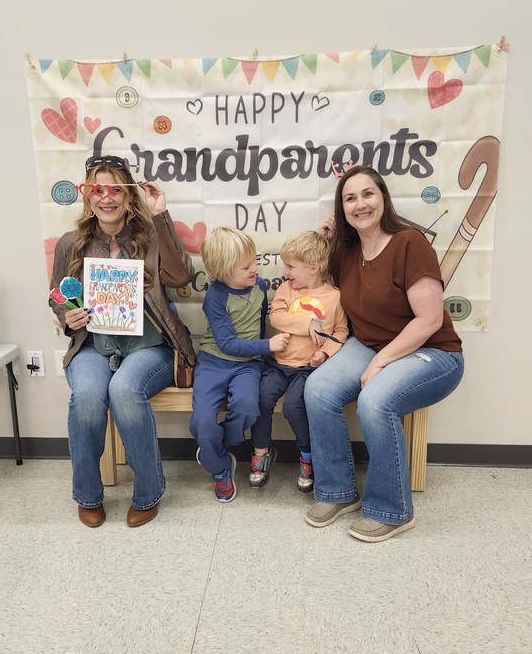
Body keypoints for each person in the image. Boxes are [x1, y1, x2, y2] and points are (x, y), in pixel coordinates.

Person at [304, 163, 464, 542]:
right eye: (349, 198)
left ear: (383, 198)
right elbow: (316, 288)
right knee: (318, 390)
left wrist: (380, 361)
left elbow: (428, 319)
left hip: (432, 352)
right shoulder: (344, 252)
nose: (360, 204)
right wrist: (323, 239)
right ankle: (338, 492)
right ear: (342, 209)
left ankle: (392, 510)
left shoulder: (410, 243)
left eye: (368, 194)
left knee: (374, 401)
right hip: (371, 344)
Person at [49, 154, 195, 529]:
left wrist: (160, 216)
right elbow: (57, 295)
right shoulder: (71, 244)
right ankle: (88, 494)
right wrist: (68, 315)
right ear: (88, 197)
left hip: (150, 346)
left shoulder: (149, 238)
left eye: (115, 188)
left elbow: (181, 277)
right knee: (86, 398)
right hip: (93, 346)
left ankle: (148, 492)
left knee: (125, 390)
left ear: (129, 196)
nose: (106, 197)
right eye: (98, 189)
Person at [189, 228, 290, 502]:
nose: (254, 268)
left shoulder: (259, 287)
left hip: (248, 365)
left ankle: (221, 444)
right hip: (213, 362)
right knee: (202, 423)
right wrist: (267, 346)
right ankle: (220, 468)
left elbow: (257, 328)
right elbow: (227, 344)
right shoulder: (215, 297)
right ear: (222, 271)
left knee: (247, 407)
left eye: (255, 261)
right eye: (246, 266)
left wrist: (264, 354)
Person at [248, 231, 348, 492]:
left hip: (307, 369)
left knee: (294, 407)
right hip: (279, 364)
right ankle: (261, 451)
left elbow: (340, 332)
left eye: (291, 266)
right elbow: (277, 317)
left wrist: (325, 353)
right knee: (261, 398)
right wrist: (308, 324)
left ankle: (307, 456)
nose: (286, 271)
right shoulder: (287, 288)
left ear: (313, 267)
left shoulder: (335, 297)